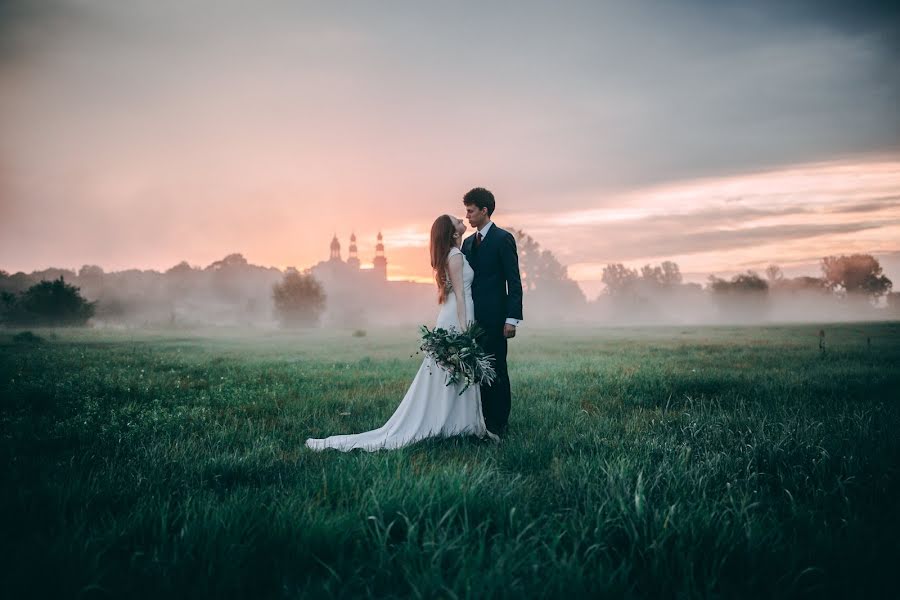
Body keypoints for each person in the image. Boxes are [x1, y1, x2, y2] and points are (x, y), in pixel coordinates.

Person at [305, 214, 499, 451]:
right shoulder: (456, 255)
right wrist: (466, 329)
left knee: (451, 370)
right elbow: (459, 295)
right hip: (458, 316)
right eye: (456, 219)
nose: (462, 218)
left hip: (450, 314)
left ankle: (458, 422)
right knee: (455, 368)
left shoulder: (451, 253)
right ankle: (456, 423)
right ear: (453, 232)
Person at [461, 187, 523, 436]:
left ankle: (500, 422)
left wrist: (512, 319)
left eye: (471, 211)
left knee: (497, 368)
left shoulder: (502, 238)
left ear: (484, 211)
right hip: (471, 320)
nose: (467, 217)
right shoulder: (466, 243)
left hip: (497, 319)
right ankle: (481, 419)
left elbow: (514, 281)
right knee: (476, 369)